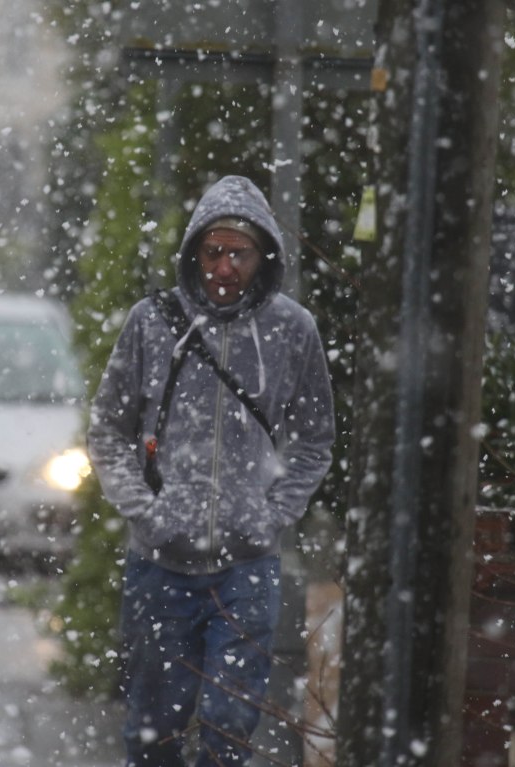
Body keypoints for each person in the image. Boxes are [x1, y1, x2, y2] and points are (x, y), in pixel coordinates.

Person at [87, 175, 335, 766]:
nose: (225, 267)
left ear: (263, 256)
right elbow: (107, 430)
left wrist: (272, 515)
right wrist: (147, 514)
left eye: (239, 254)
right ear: (196, 253)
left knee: (229, 731)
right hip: (160, 568)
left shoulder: (291, 329)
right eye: (213, 252)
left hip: (246, 569)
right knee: (153, 736)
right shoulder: (153, 322)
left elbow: (315, 440)